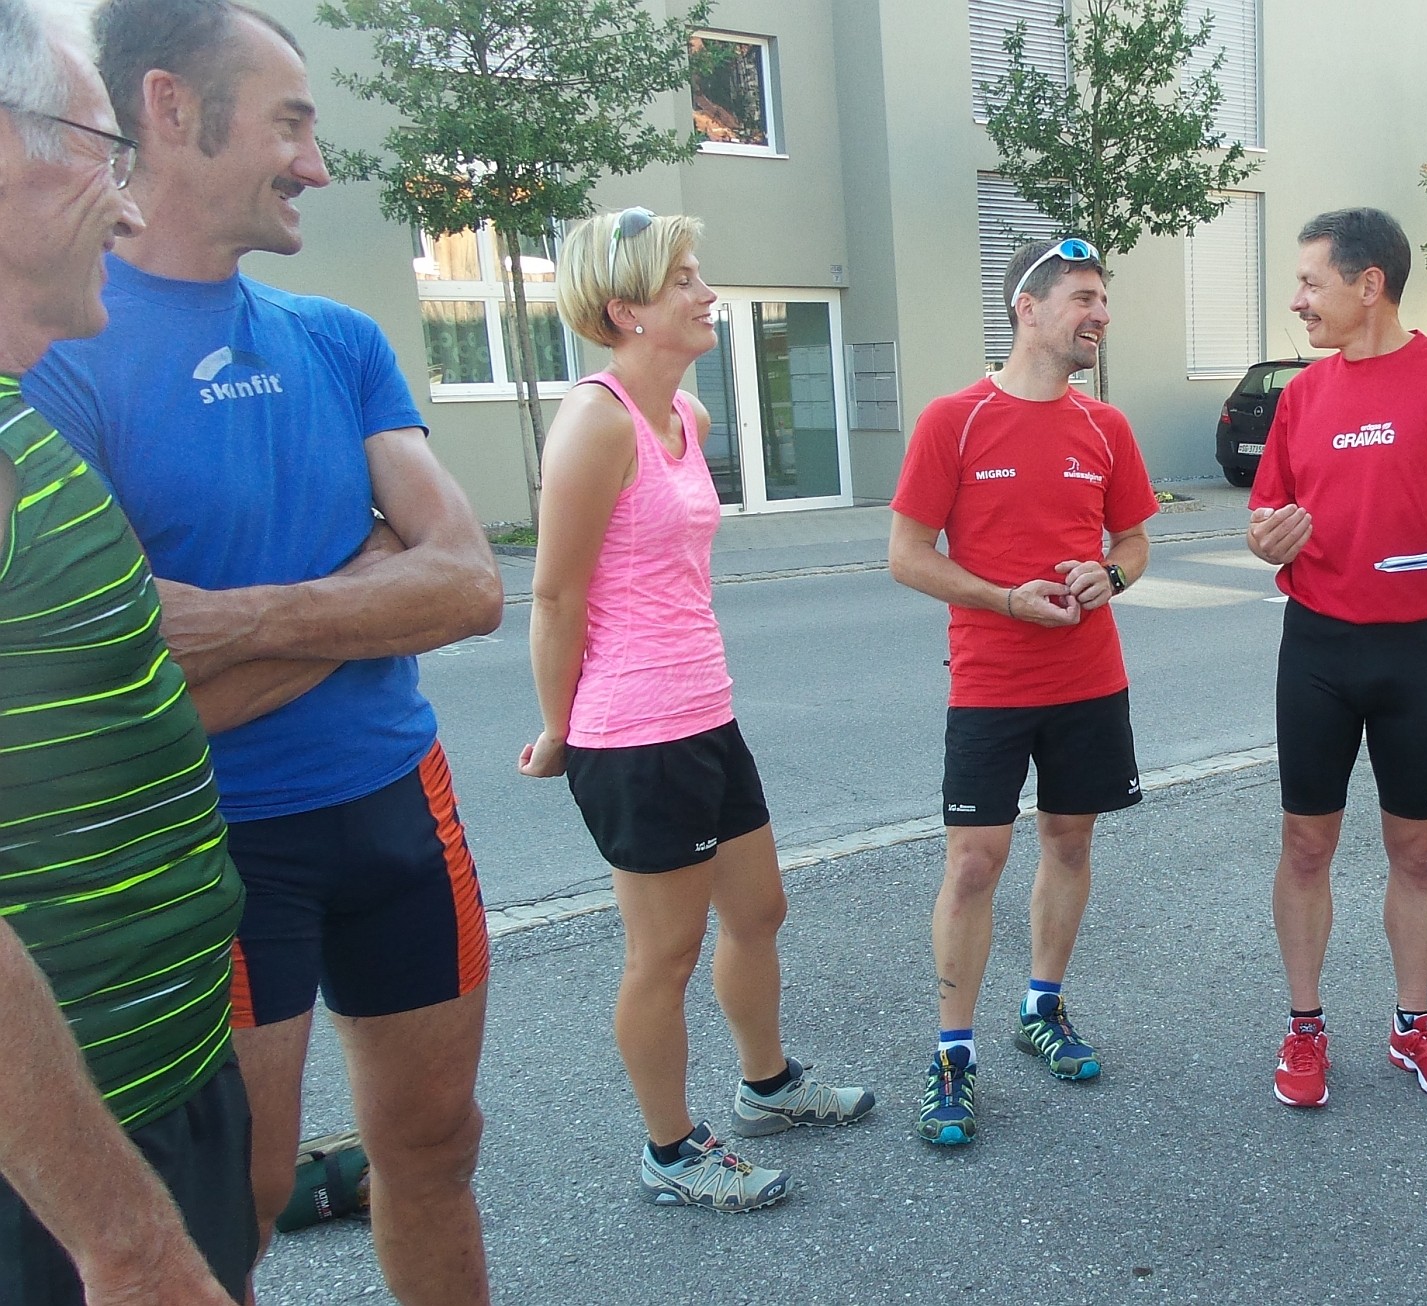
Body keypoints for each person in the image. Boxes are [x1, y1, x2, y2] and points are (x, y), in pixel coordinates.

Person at [24, 0, 504, 1299]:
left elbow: (465, 585)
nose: (318, 163)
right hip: (223, 840)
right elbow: (128, 689)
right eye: (292, 122)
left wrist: (234, 621)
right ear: (173, 110)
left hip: (404, 806)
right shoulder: (61, 355)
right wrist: (363, 594)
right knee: (235, 1196)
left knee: (437, 1145)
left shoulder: (337, 339)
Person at [519, 207, 873, 1214]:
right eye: (683, 277)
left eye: (698, 271)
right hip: (632, 732)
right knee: (663, 952)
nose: (705, 291)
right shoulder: (594, 421)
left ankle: (767, 1087)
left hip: (704, 710)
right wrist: (559, 728)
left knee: (759, 909)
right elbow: (554, 596)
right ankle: (669, 1150)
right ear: (624, 307)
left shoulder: (690, 419)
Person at [0, 1, 252, 1299]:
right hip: (63, 1171)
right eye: (103, 153)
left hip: (162, 1088)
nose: (131, 207)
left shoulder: (17, 423)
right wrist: (124, 1233)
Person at [1247, 207, 1427, 1108]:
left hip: (1417, 653)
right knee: (1306, 846)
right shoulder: (1302, 394)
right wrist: (1268, 540)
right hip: (1318, 650)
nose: (1297, 300)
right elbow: (1264, 520)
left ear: (1368, 283)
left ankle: (1412, 1025)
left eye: (1310, 282)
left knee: (1416, 851)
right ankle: (1304, 1031)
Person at [889, 236, 1158, 1146]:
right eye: (1084, 298)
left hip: (1089, 678)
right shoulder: (953, 420)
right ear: (1028, 308)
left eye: (1104, 302)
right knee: (974, 863)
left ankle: (1041, 1006)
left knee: (1069, 842)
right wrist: (1002, 598)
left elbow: (1134, 544)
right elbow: (907, 556)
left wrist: (1107, 580)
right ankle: (951, 1054)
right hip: (992, 681)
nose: (1101, 316)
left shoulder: (1106, 427)